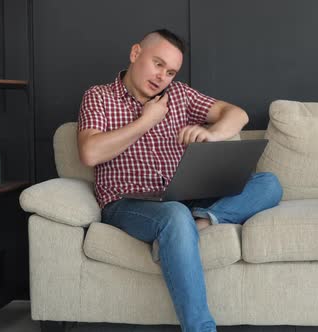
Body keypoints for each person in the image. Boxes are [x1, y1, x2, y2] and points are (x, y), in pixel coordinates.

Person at [77, 28, 282, 332]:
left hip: (184, 195)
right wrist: (146, 120)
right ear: (136, 54)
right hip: (128, 203)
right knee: (173, 215)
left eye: (170, 71)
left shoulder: (180, 96)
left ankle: (199, 221)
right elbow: (90, 153)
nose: (162, 76)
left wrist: (212, 134)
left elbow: (236, 114)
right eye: (157, 64)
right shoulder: (99, 96)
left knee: (268, 184)